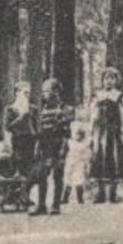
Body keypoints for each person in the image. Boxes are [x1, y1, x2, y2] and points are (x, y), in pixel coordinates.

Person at [85, 66, 123, 203]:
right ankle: (100, 194)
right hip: (100, 131)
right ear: (102, 80)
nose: (109, 81)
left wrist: (122, 131)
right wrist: (91, 130)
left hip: (113, 132)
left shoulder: (119, 96)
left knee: (113, 160)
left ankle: (113, 194)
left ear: (116, 81)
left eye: (112, 78)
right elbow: (93, 114)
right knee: (99, 159)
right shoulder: (97, 95)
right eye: (106, 78)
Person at [30, 77, 72, 217]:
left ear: (56, 92)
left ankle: (56, 205)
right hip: (44, 145)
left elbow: (67, 133)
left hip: (58, 144)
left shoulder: (65, 109)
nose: (44, 94)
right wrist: (37, 145)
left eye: (47, 91)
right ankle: (41, 205)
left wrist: (63, 150)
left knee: (57, 175)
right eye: (43, 91)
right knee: (42, 174)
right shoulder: (43, 109)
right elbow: (40, 130)